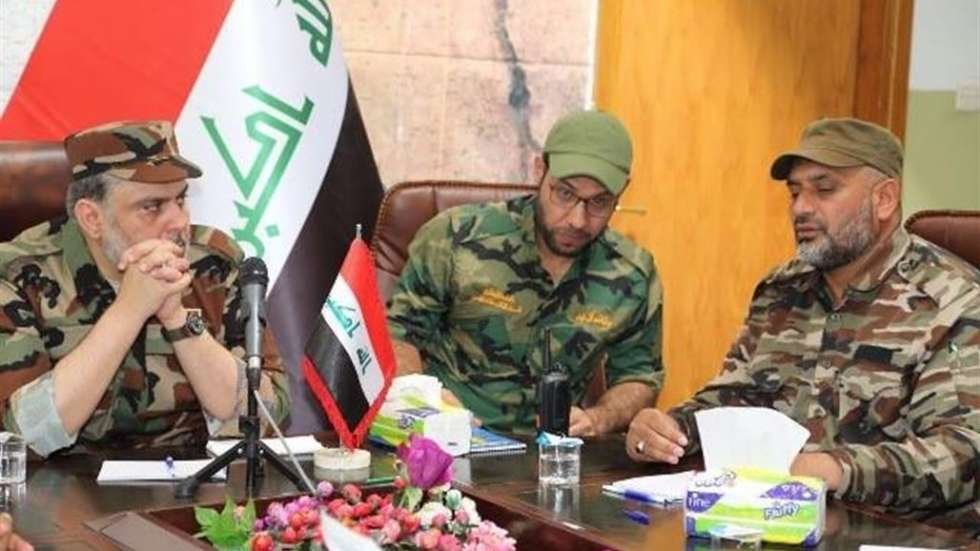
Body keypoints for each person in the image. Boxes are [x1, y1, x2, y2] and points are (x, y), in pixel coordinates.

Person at [626, 117, 980, 529]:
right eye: (795, 192)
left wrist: (837, 469)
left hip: (905, 534)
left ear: (884, 199)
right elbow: (737, 395)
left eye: (824, 190)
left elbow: (964, 451)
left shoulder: (951, 300)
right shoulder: (782, 289)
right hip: (777, 522)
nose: (801, 208)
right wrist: (673, 428)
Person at [0, 121, 289, 457]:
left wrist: (178, 318)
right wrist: (129, 310)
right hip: (67, 484)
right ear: (92, 218)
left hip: (196, 475)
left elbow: (265, 415)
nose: (179, 222)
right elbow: (21, 438)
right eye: (152, 206)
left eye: (180, 199)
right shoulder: (19, 275)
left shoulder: (215, 262)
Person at [387, 110, 663, 436]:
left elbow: (639, 376)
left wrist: (598, 418)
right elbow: (397, 333)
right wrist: (424, 400)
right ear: (539, 171)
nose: (577, 220)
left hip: (551, 453)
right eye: (565, 193)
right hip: (450, 442)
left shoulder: (632, 274)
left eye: (599, 202)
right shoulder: (457, 237)